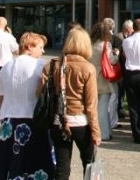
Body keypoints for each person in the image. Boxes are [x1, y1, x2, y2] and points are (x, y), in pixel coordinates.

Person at [0, 32, 54, 179]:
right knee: (36, 162)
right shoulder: (40, 65)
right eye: (40, 47)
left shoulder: (6, 66)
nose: (43, 51)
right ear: (29, 47)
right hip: (33, 118)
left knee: (9, 161)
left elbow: (2, 96)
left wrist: (2, 117)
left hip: (9, 119)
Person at [39, 28, 101, 180]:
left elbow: (39, 93)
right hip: (80, 121)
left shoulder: (52, 65)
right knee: (89, 162)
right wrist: (96, 131)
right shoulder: (88, 68)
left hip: (58, 120)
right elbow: (91, 104)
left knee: (62, 166)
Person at [90, 18, 120, 141]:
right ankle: (104, 133)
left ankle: (98, 131)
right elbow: (112, 61)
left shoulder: (89, 44)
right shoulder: (105, 45)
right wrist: (116, 54)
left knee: (95, 106)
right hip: (103, 76)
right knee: (103, 107)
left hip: (92, 75)